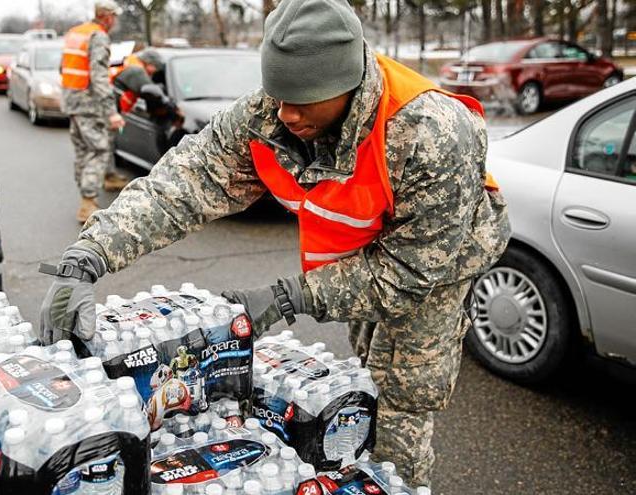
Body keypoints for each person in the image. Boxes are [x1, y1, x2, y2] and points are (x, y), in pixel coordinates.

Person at [40, 0, 510, 487]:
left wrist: (291, 296)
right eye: (279, 95)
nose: (286, 114)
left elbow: (411, 271)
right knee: (363, 378)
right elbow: (186, 182)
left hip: (435, 262)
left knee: (402, 396)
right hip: (360, 248)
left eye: (303, 100)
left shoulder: (430, 131)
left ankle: (400, 484)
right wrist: (88, 256)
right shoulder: (271, 111)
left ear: (346, 86)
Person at [60, 0, 130, 223]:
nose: (115, 21)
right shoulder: (98, 36)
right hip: (89, 103)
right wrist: (111, 112)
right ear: (107, 17)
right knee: (99, 150)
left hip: (72, 100)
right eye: (114, 17)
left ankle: (98, 185)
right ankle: (87, 202)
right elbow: (99, 76)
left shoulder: (75, 32)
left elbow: (63, 67)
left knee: (82, 150)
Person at [111, 49, 185, 148]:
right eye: (155, 67)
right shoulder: (136, 70)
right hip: (106, 111)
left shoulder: (130, 65)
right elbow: (152, 91)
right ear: (149, 62)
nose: (155, 72)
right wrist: (174, 109)